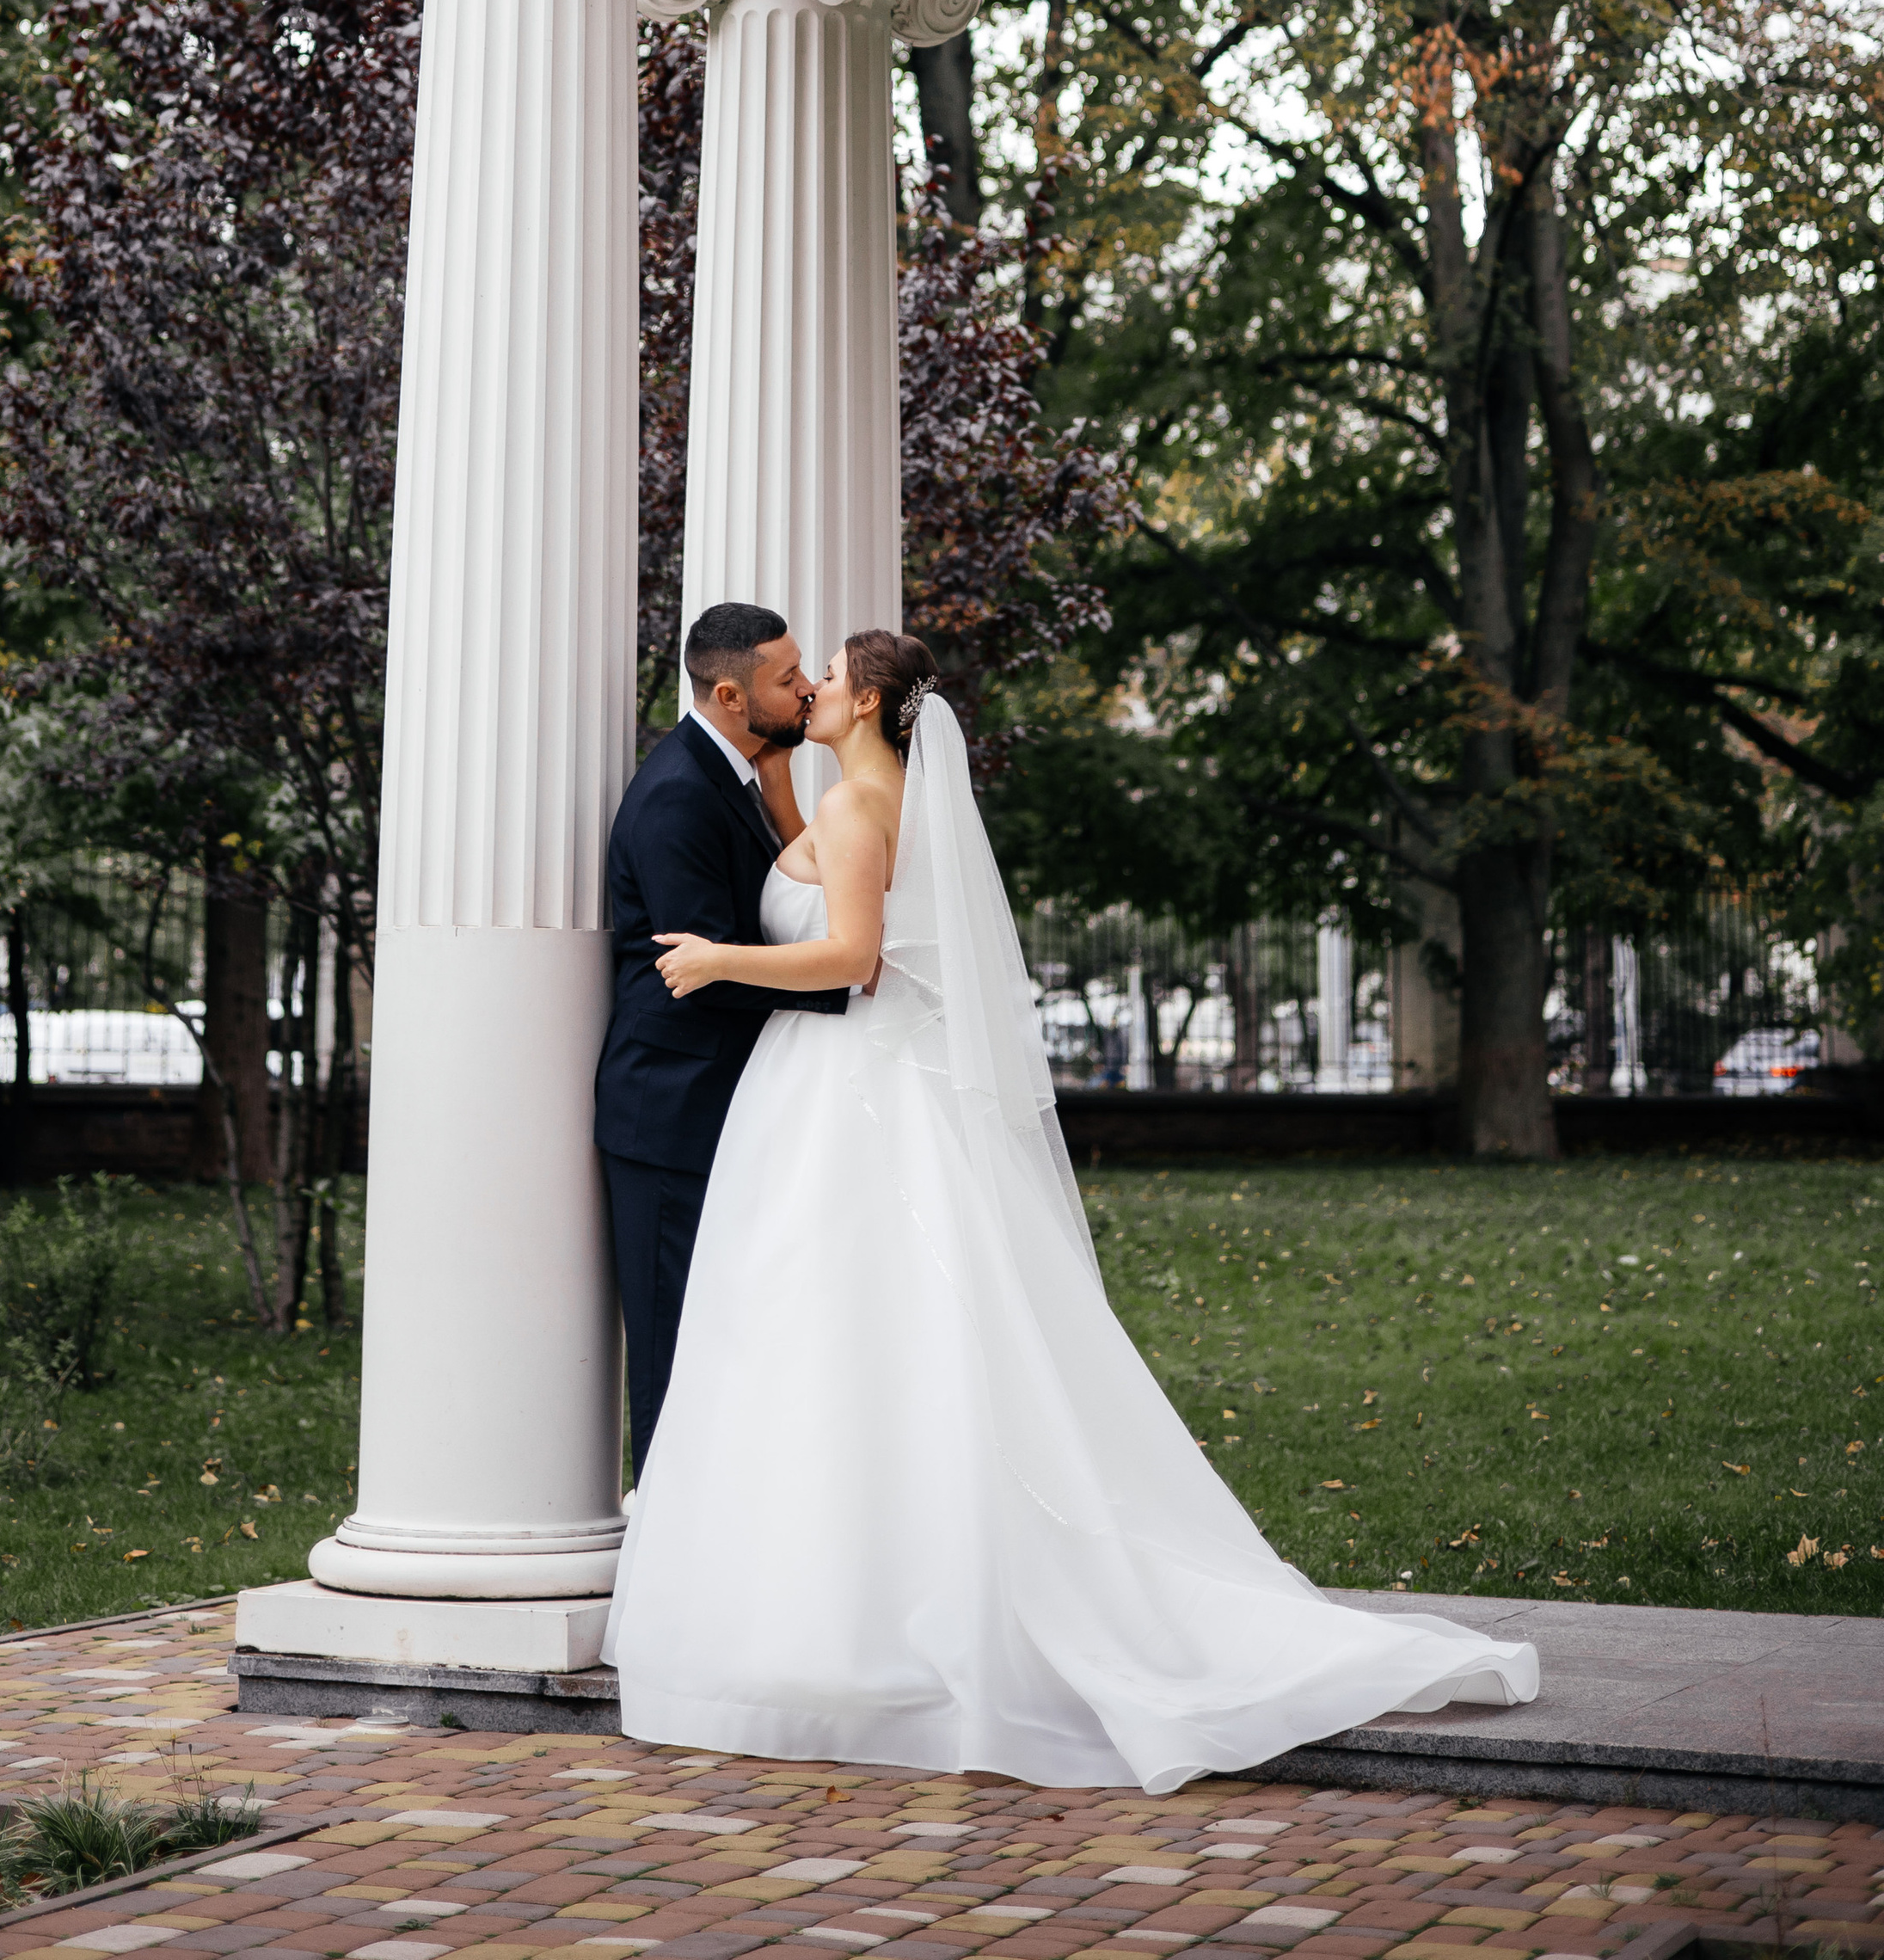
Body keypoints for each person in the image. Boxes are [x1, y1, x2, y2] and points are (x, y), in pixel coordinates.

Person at [605, 626, 1540, 1789]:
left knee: (831, 1336)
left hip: (840, 1094)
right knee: (852, 1342)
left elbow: (850, 958)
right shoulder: (855, 797)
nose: (816, 689)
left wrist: (720, 960)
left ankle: (846, 1620)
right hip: (833, 1094)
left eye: (833, 678)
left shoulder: (856, 813)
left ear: (877, 706)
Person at [594, 601, 848, 1481]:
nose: (808, 687)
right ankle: (668, 1569)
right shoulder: (675, 798)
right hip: (672, 1113)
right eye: (789, 678)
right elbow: (697, 971)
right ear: (733, 695)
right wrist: (848, 995)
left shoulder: (741, 773)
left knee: (740, 1341)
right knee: (674, 1350)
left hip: (733, 1105)